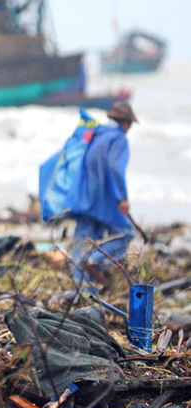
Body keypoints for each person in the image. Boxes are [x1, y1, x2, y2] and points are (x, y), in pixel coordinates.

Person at [69, 100, 138, 290]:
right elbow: (115, 169)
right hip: (103, 199)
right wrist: (121, 198)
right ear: (126, 123)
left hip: (83, 197)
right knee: (125, 234)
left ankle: (82, 292)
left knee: (83, 242)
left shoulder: (98, 134)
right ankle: (96, 260)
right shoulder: (119, 139)